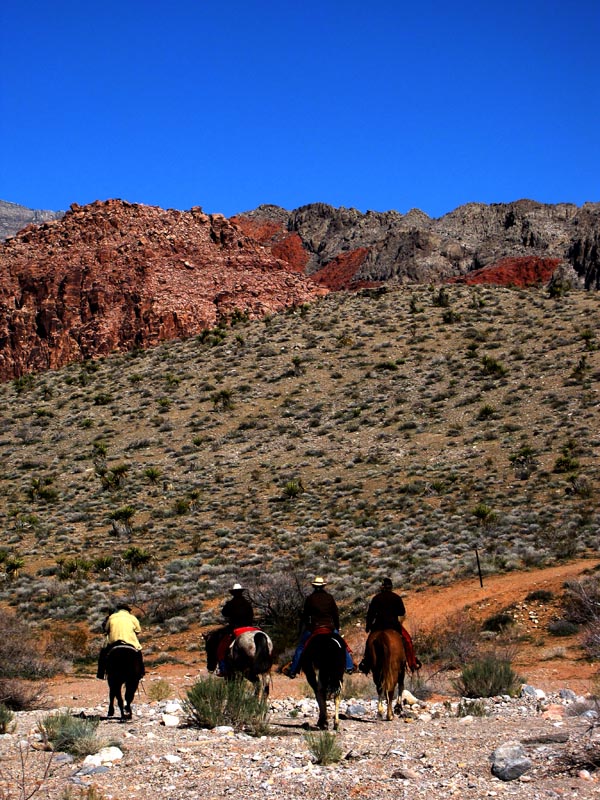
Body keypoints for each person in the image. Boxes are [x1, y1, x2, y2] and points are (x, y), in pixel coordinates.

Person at [283, 576, 355, 678]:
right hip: (329, 626)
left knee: (301, 647)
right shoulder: (329, 597)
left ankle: (293, 670)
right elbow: (335, 614)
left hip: (314, 628)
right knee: (342, 644)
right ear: (323, 586)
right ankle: (349, 666)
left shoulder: (310, 599)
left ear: (314, 586)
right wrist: (336, 628)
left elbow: (306, 615)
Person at [358, 578, 421, 674]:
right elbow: (402, 612)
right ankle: (412, 663)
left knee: (368, 644)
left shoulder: (376, 598)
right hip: (393, 625)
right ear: (391, 587)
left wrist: (368, 626)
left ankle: (366, 663)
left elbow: (370, 614)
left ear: (382, 587)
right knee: (408, 641)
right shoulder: (396, 597)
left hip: (378, 626)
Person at [214, 583, 255, 676]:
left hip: (236, 628)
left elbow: (224, 613)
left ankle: (222, 668)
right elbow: (252, 615)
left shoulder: (231, 603)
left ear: (233, 593)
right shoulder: (247, 603)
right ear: (241, 592)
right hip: (249, 627)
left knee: (221, 647)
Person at [96, 602, 145, 679]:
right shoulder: (132, 618)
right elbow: (138, 630)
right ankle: (141, 672)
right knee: (138, 653)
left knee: (103, 653)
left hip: (114, 643)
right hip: (130, 642)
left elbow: (106, 629)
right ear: (128, 610)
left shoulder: (112, 617)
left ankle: (100, 673)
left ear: (118, 609)